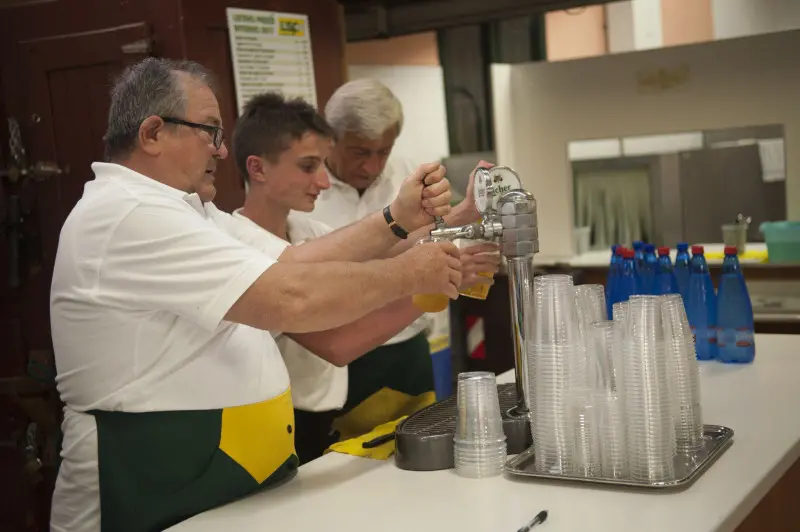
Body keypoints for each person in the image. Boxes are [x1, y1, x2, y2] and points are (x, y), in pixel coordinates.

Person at [49, 58, 462, 532]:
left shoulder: (190, 212)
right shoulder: (128, 213)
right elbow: (291, 297)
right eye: (209, 131)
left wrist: (397, 218)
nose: (220, 151)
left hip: (208, 468)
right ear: (153, 133)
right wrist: (409, 275)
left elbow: (295, 262)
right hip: (147, 474)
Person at [230, 92, 500, 462]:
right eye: (309, 167)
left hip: (323, 408)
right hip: (282, 421)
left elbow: (380, 252)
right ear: (258, 169)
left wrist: (463, 214)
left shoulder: (307, 229)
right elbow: (339, 342)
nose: (324, 182)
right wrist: (429, 282)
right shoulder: (241, 247)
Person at [293, 79, 495, 443]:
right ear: (330, 138)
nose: (372, 166)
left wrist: (462, 218)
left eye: (382, 152)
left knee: (419, 454)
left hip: (406, 345)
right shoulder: (304, 189)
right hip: (334, 355)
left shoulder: (408, 175)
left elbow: (422, 240)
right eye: (359, 152)